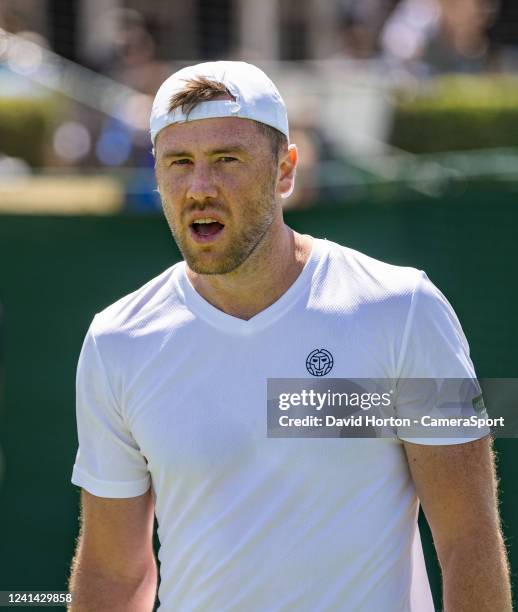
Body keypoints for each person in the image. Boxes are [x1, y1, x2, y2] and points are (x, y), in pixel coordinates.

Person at [68, 61, 512, 611]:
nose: (200, 187)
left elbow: (469, 541)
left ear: (285, 171)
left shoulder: (405, 308)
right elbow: (114, 573)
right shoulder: (116, 341)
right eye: (178, 162)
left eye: (227, 160)